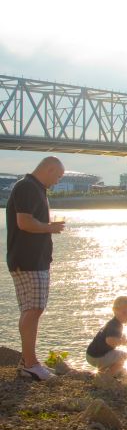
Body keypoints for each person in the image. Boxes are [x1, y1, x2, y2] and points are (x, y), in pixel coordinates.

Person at [6, 156, 65, 381]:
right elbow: (24, 222)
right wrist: (49, 227)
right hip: (28, 260)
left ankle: (26, 361)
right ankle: (31, 363)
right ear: (49, 170)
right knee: (34, 309)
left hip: (32, 259)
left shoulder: (32, 187)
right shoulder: (28, 187)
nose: (58, 181)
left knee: (31, 309)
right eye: (58, 176)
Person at [86, 296, 127, 377]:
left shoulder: (112, 323)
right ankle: (107, 377)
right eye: (125, 313)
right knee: (123, 356)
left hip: (91, 354)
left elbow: (111, 337)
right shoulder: (115, 325)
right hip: (97, 356)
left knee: (114, 356)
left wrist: (121, 338)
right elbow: (110, 341)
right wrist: (121, 342)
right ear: (114, 310)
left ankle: (100, 374)